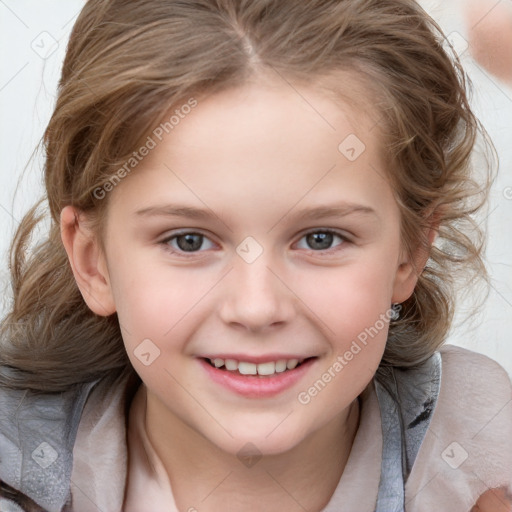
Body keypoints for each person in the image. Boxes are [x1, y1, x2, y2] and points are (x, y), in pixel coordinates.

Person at [0, 0, 511, 511]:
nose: (257, 307)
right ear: (94, 262)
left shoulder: (482, 472)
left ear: (411, 252)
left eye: (321, 239)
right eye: (189, 241)